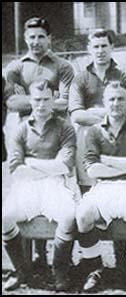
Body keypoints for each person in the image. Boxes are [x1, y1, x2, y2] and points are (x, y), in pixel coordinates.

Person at [4, 17, 75, 261]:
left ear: (50, 38)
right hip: (25, 133)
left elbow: (65, 102)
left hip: (54, 133)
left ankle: (50, 258)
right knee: (25, 191)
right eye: (31, 37)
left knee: (52, 191)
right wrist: (45, 99)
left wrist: (33, 98)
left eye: (41, 36)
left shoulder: (62, 66)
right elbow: (11, 102)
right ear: (25, 38)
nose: (36, 41)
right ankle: (34, 258)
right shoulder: (15, 68)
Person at [75, 82, 126, 292]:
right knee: (83, 214)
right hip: (104, 187)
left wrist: (107, 160)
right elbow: (92, 171)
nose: (116, 103)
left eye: (121, 99)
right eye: (111, 99)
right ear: (104, 103)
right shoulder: (93, 131)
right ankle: (96, 268)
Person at [2, 79, 78, 291]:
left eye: (46, 99)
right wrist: (48, 165)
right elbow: (16, 169)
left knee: (68, 215)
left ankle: (59, 271)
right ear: (31, 100)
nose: (41, 104)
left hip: (55, 184)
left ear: (53, 99)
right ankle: (21, 271)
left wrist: (32, 162)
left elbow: (65, 166)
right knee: (4, 216)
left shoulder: (65, 127)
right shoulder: (20, 129)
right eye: (37, 99)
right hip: (26, 184)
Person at [69, 28, 126, 272]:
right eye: (95, 47)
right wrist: (107, 115)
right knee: (90, 199)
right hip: (91, 141)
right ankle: (91, 260)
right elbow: (76, 114)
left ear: (112, 48)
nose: (100, 51)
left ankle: (121, 258)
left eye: (104, 46)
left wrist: (97, 113)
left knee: (119, 194)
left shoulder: (123, 76)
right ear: (88, 49)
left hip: (118, 142)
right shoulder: (80, 78)